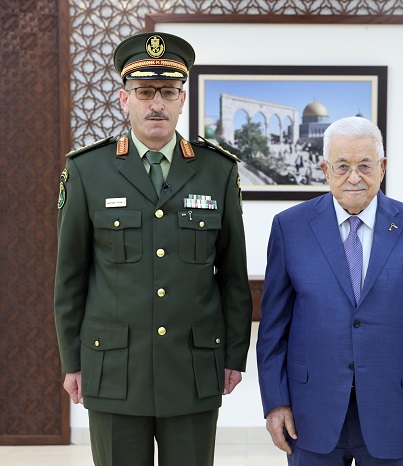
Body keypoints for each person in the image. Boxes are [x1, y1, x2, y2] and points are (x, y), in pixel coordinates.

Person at [53, 32, 253, 466]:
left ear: (183, 100)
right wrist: (72, 360)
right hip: (114, 369)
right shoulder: (87, 169)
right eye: (145, 92)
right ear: (125, 100)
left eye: (168, 92)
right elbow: (70, 277)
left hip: (193, 368)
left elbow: (234, 276)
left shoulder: (217, 170)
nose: (156, 103)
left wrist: (234, 354)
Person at [257, 116, 403, 465]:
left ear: (382, 167)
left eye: (365, 165)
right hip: (309, 412)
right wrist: (275, 403)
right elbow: (273, 329)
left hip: (395, 413)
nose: (354, 177)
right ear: (325, 169)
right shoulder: (290, 227)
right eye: (342, 166)